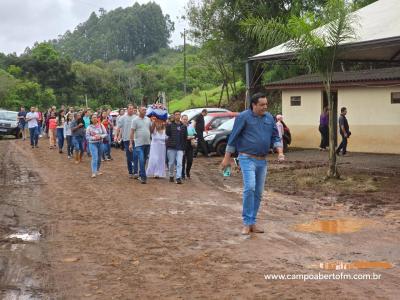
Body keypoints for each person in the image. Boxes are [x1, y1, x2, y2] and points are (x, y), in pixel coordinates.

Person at [220, 93, 284, 236]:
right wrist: (226, 158)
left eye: (266, 104)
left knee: (258, 193)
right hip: (246, 158)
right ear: (253, 105)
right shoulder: (243, 117)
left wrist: (280, 152)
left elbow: (275, 136)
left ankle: (252, 222)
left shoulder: (269, 118)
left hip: (262, 160)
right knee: (250, 188)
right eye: (262, 105)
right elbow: (233, 138)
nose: (265, 107)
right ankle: (247, 223)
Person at [129, 106, 153, 184]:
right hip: (139, 144)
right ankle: (143, 177)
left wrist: (154, 123)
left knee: (144, 160)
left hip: (147, 143)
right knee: (142, 159)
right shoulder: (135, 120)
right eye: (143, 110)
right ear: (139, 110)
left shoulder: (148, 119)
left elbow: (151, 131)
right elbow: (132, 132)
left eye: (145, 110)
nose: (145, 111)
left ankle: (141, 173)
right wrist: (130, 143)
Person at [166, 111, 188, 184]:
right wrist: (167, 125)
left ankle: (178, 177)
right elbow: (167, 133)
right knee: (171, 163)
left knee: (179, 163)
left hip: (180, 148)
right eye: (176, 115)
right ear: (174, 116)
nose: (177, 116)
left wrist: (184, 148)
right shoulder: (170, 125)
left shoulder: (184, 126)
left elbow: (185, 138)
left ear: (180, 116)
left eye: (179, 115)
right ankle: (171, 175)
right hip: (171, 147)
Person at [116, 105, 138, 178]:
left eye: (132, 109)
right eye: (130, 109)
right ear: (127, 110)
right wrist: (116, 135)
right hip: (126, 139)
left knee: (135, 155)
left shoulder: (136, 117)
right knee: (129, 156)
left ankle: (135, 172)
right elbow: (118, 127)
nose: (131, 110)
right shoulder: (123, 118)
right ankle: (130, 172)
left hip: (135, 139)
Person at [181, 114, 196, 180]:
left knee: (190, 160)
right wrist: (186, 137)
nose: (185, 120)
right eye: (184, 119)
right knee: (182, 161)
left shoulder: (191, 126)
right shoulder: (180, 126)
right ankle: (182, 174)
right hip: (182, 145)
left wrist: (193, 137)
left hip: (190, 145)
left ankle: (188, 172)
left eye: (186, 119)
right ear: (181, 119)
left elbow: (195, 134)